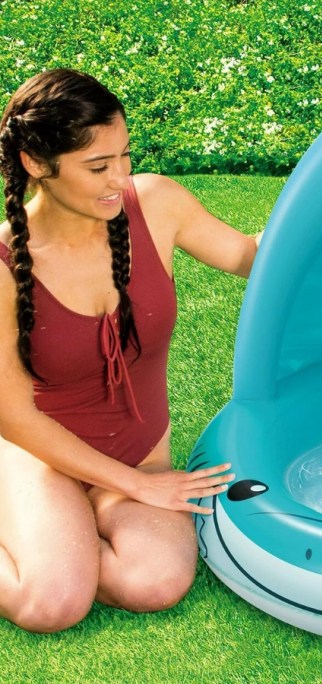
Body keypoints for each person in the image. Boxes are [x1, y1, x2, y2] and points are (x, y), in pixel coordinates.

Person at [0, 69, 258, 633]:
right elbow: (13, 416)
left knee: (155, 582)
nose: (120, 179)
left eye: (124, 157)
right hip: (44, 458)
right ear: (36, 164)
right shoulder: (4, 264)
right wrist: (140, 488)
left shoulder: (156, 203)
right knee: (53, 604)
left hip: (138, 451)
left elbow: (251, 258)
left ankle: (62, 533)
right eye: (98, 167)